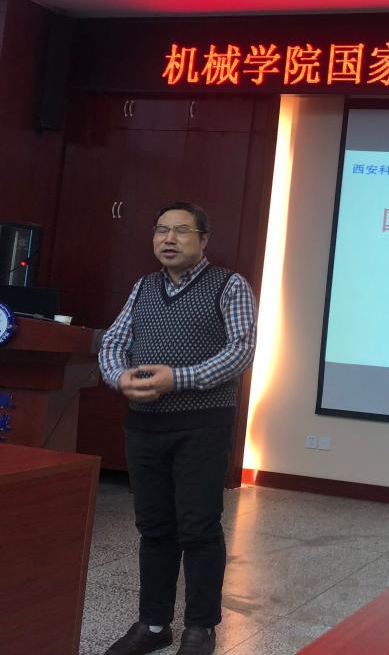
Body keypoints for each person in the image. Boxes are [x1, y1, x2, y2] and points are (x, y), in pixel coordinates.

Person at [99, 201, 257, 655]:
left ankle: (200, 628)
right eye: (161, 230)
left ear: (203, 240)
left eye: (182, 231)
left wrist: (179, 378)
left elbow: (241, 350)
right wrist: (118, 377)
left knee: (199, 526)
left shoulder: (229, 285)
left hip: (202, 426)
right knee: (154, 527)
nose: (168, 239)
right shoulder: (144, 286)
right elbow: (113, 341)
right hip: (144, 426)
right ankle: (153, 625)